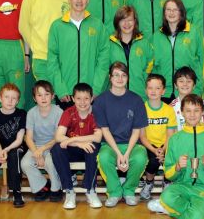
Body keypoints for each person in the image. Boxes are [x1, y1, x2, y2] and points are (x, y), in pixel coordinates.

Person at [147, 94, 204, 219]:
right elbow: (168, 173)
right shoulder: (175, 139)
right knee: (166, 196)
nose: (192, 115)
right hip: (182, 186)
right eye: (188, 111)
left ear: (202, 112)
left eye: (196, 110)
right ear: (182, 112)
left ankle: (193, 208)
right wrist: (177, 167)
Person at [93, 62, 148, 207]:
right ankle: (115, 192)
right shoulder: (100, 101)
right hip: (110, 145)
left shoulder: (136, 100)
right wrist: (118, 153)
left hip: (132, 145)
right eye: (116, 75)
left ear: (128, 78)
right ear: (110, 78)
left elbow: (137, 131)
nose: (120, 78)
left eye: (123, 75)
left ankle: (129, 191)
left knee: (141, 157)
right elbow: (104, 130)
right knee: (104, 157)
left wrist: (127, 153)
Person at [47, 0, 109, 107]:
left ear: (88, 0)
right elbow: (52, 61)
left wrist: (96, 89)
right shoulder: (57, 26)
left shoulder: (98, 25)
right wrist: (60, 89)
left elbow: (104, 59)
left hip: (90, 94)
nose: (79, 1)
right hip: (67, 94)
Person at [51, 83, 103, 210]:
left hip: (88, 149)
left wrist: (73, 140)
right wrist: (78, 143)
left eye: (86, 98)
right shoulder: (68, 112)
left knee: (93, 147)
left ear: (92, 99)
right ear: (73, 99)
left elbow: (98, 137)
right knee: (57, 149)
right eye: (79, 98)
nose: (82, 102)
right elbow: (59, 136)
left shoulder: (96, 113)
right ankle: (69, 191)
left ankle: (90, 190)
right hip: (74, 148)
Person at [19, 0, 70, 80]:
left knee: (65, 96)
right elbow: (23, 26)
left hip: (66, 57)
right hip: (42, 59)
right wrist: (36, 47)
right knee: (45, 97)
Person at [152, 0, 204, 102]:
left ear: (181, 12)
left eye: (175, 10)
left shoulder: (194, 32)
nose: (171, 13)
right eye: (168, 10)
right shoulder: (157, 36)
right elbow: (153, 66)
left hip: (189, 91)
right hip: (164, 93)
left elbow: (203, 61)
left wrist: (200, 88)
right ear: (164, 13)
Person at [20, 80, 63, 202]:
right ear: (34, 98)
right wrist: (36, 152)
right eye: (39, 95)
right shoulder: (31, 113)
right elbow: (28, 137)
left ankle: (56, 188)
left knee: (50, 162)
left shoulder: (59, 112)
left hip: (53, 146)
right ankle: (42, 186)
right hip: (36, 146)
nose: (43, 98)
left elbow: (57, 137)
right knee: (25, 163)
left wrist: (42, 150)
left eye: (47, 94)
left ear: (53, 96)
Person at [139, 74, 177, 200]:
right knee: (153, 161)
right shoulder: (142, 109)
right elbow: (142, 136)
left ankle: (167, 183)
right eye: (150, 88)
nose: (153, 91)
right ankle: (149, 183)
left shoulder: (168, 110)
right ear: (146, 90)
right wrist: (155, 150)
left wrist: (163, 149)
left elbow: (171, 135)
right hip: (149, 145)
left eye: (157, 88)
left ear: (163, 90)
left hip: (166, 144)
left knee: (170, 158)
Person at [108, 6, 154, 100]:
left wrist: (143, 79)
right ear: (117, 22)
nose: (126, 24)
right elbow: (105, 68)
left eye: (130, 20)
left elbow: (151, 63)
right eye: (123, 20)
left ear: (135, 21)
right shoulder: (109, 44)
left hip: (140, 94)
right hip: (115, 95)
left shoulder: (144, 43)